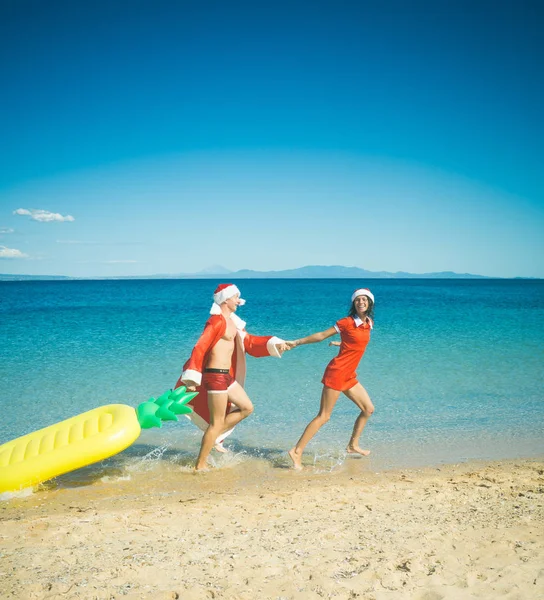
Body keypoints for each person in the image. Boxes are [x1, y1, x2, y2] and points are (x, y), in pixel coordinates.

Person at [175, 283, 287, 471]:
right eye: (236, 297)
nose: (239, 300)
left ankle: (215, 437)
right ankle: (200, 465)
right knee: (216, 422)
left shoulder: (233, 322)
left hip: (227, 377)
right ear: (226, 299)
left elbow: (250, 342)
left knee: (247, 408)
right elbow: (200, 347)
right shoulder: (216, 321)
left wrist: (277, 343)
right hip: (215, 376)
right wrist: (192, 378)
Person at [286, 288, 376, 470]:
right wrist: (297, 342)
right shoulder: (346, 322)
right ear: (354, 303)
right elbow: (321, 335)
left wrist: (342, 344)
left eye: (364, 299)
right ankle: (296, 450)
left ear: (370, 303)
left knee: (368, 409)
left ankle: (352, 445)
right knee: (324, 416)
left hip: (349, 374)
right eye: (358, 300)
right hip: (337, 372)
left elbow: (356, 343)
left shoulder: (369, 323)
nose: (361, 302)